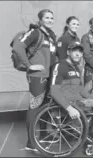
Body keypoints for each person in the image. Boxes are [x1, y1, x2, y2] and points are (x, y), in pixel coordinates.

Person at [50, 41, 93, 147]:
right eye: (75, 51)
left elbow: (80, 88)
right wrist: (69, 108)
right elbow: (54, 91)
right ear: (68, 52)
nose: (78, 54)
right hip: (69, 103)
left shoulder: (76, 68)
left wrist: (91, 98)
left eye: (80, 52)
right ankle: (92, 136)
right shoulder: (60, 66)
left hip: (79, 101)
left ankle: (92, 133)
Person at [12, 9, 57, 151]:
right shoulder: (35, 32)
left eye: (51, 18)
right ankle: (31, 142)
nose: (50, 20)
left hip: (48, 76)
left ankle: (43, 135)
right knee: (34, 107)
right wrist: (29, 66)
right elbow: (18, 46)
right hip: (37, 77)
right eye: (47, 18)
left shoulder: (50, 35)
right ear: (40, 19)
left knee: (44, 106)